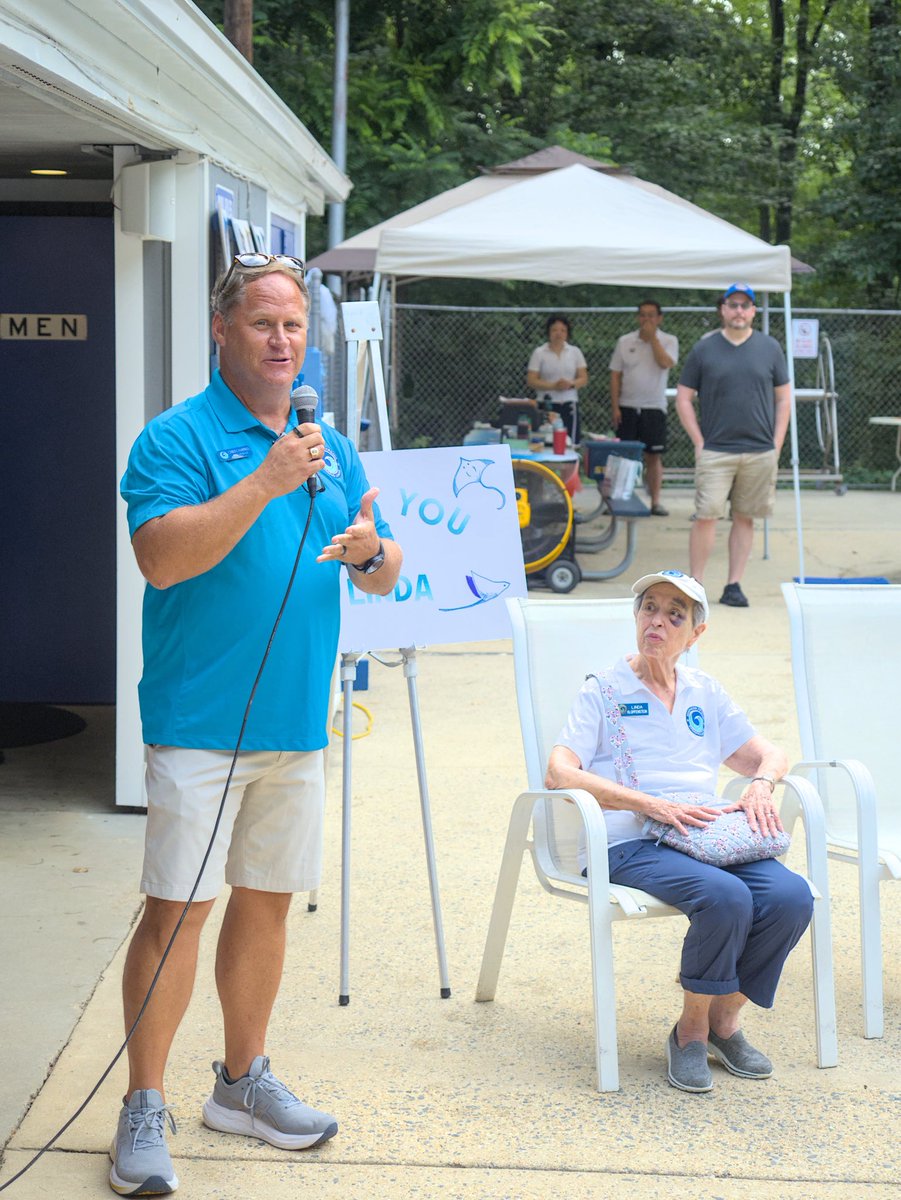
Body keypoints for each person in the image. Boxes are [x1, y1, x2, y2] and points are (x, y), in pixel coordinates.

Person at [112, 252, 402, 1196]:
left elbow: (383, 569)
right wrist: (266, 482)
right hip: (200, 723)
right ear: (221, 330)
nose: (283, 342)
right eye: (262, 324)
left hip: (297, 720)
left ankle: (240, 1085)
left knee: (267, 900)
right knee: (176, 912)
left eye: (293, 326)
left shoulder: (330, 442)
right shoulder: (176, 436)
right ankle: (143, 1105)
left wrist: (372, 552)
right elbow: (161, 559)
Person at [545, 569, 812, 1094]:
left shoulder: (703, 691)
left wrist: (761, 784)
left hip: (699, 835)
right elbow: (559, 772)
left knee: (791, 896)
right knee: (725, 897)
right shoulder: (603, 690)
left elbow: (768, 754)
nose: (657, 621)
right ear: (636, 617)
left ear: (696, 633)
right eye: (649, 608)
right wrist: (650, 804)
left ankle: (723, 1021)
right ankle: (690, 1032)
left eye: (674, 615)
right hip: (628, 839)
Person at [675, 283, 791, 608]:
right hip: (716, 450)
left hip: (759, 451)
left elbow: (784, 398)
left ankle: (733, 585)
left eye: (745, 305)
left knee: (745, 517)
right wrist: (699, 441)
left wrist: (776, 443)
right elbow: (683, 398)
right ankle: (695, 587)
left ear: (753, 311)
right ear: (723, 309)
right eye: (733, 304)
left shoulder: (770, 348)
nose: (739, 311)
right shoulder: (704, 349)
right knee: (706, 516)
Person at [609, 300, 679, 516]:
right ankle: (619, 498)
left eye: (651, 315)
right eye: (643, 315)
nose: (646, 319)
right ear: (637, 318)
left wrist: (653, 340)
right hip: (627, 406)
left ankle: (655, 502)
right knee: (623, 456)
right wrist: (615, 407)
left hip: (654, 407)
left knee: (653, 456)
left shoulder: (669, 340)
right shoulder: (625, 341)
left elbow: (666, 363)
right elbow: (615, 375)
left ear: (659, 318)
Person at [527, 314, 588, 444]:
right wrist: (553, 386)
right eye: (554, 330)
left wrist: (570, 384)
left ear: (567, 333)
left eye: (562, 330)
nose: (558, 334)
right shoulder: (539, 352)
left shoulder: (575, 352)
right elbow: (531, 380)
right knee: (545, 441)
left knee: (571, 441)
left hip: (568, 403)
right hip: (546, 404)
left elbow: (583, 378)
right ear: (549, 332)